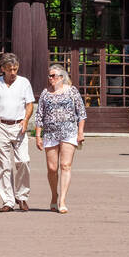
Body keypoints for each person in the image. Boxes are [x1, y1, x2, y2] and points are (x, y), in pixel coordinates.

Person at [0, 53, 36, 212]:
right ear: (3, 69)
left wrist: (26, 119)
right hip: (1, 126)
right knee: (4, 166)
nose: (13, 72)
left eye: (15, 69)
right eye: (9, 69)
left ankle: (22, 196)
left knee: (24, 161)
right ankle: (8, 200)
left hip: (18, 126)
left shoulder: (24, 82)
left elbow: (29, 104)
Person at [34, 64, 86, 214]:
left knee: (65, 165)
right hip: (50, 133)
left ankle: (62, 199)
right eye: (49, 76)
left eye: (54, 75)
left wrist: (80, 132)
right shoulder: (45, 93)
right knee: (52, 168)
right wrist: (38, 135)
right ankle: (54, 195)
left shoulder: (72, 91)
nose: (51, 78)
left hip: (69, 131)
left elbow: (81, 112)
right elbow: (39, 115)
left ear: (62, 77)